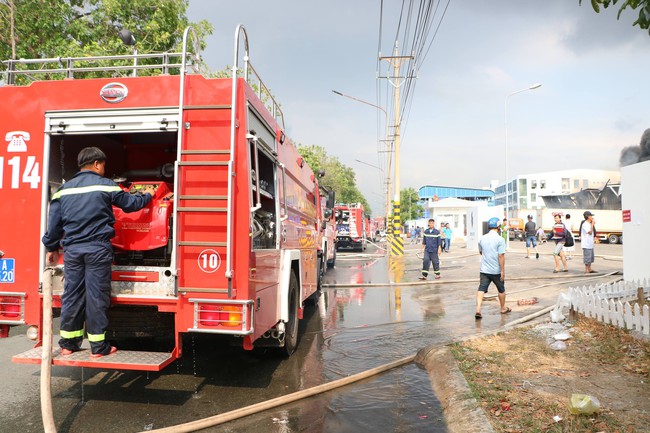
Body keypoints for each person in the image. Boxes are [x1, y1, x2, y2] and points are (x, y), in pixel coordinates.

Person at [42, 147, 155, 358]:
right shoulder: (105, 185)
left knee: (72, 295)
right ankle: (98, 346)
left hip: (73, 251)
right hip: (97, 249)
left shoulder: (63, 191)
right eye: (103, 165)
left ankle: (68, 344)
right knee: (96, 296)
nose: (103, 169)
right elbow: (130, 205)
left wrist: (51, 248)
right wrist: (147, 195)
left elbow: (54, 225)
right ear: (96, 164)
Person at [475, 217, 510, 319]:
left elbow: (481, 252)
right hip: (496, 270)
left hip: (484, 270)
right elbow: (501, 256)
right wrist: (502, 270)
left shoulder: (482, 238)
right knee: (501, 289)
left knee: (481, 289)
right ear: (498, 227)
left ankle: (478, 310)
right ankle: (503, 308)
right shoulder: (500, 239)